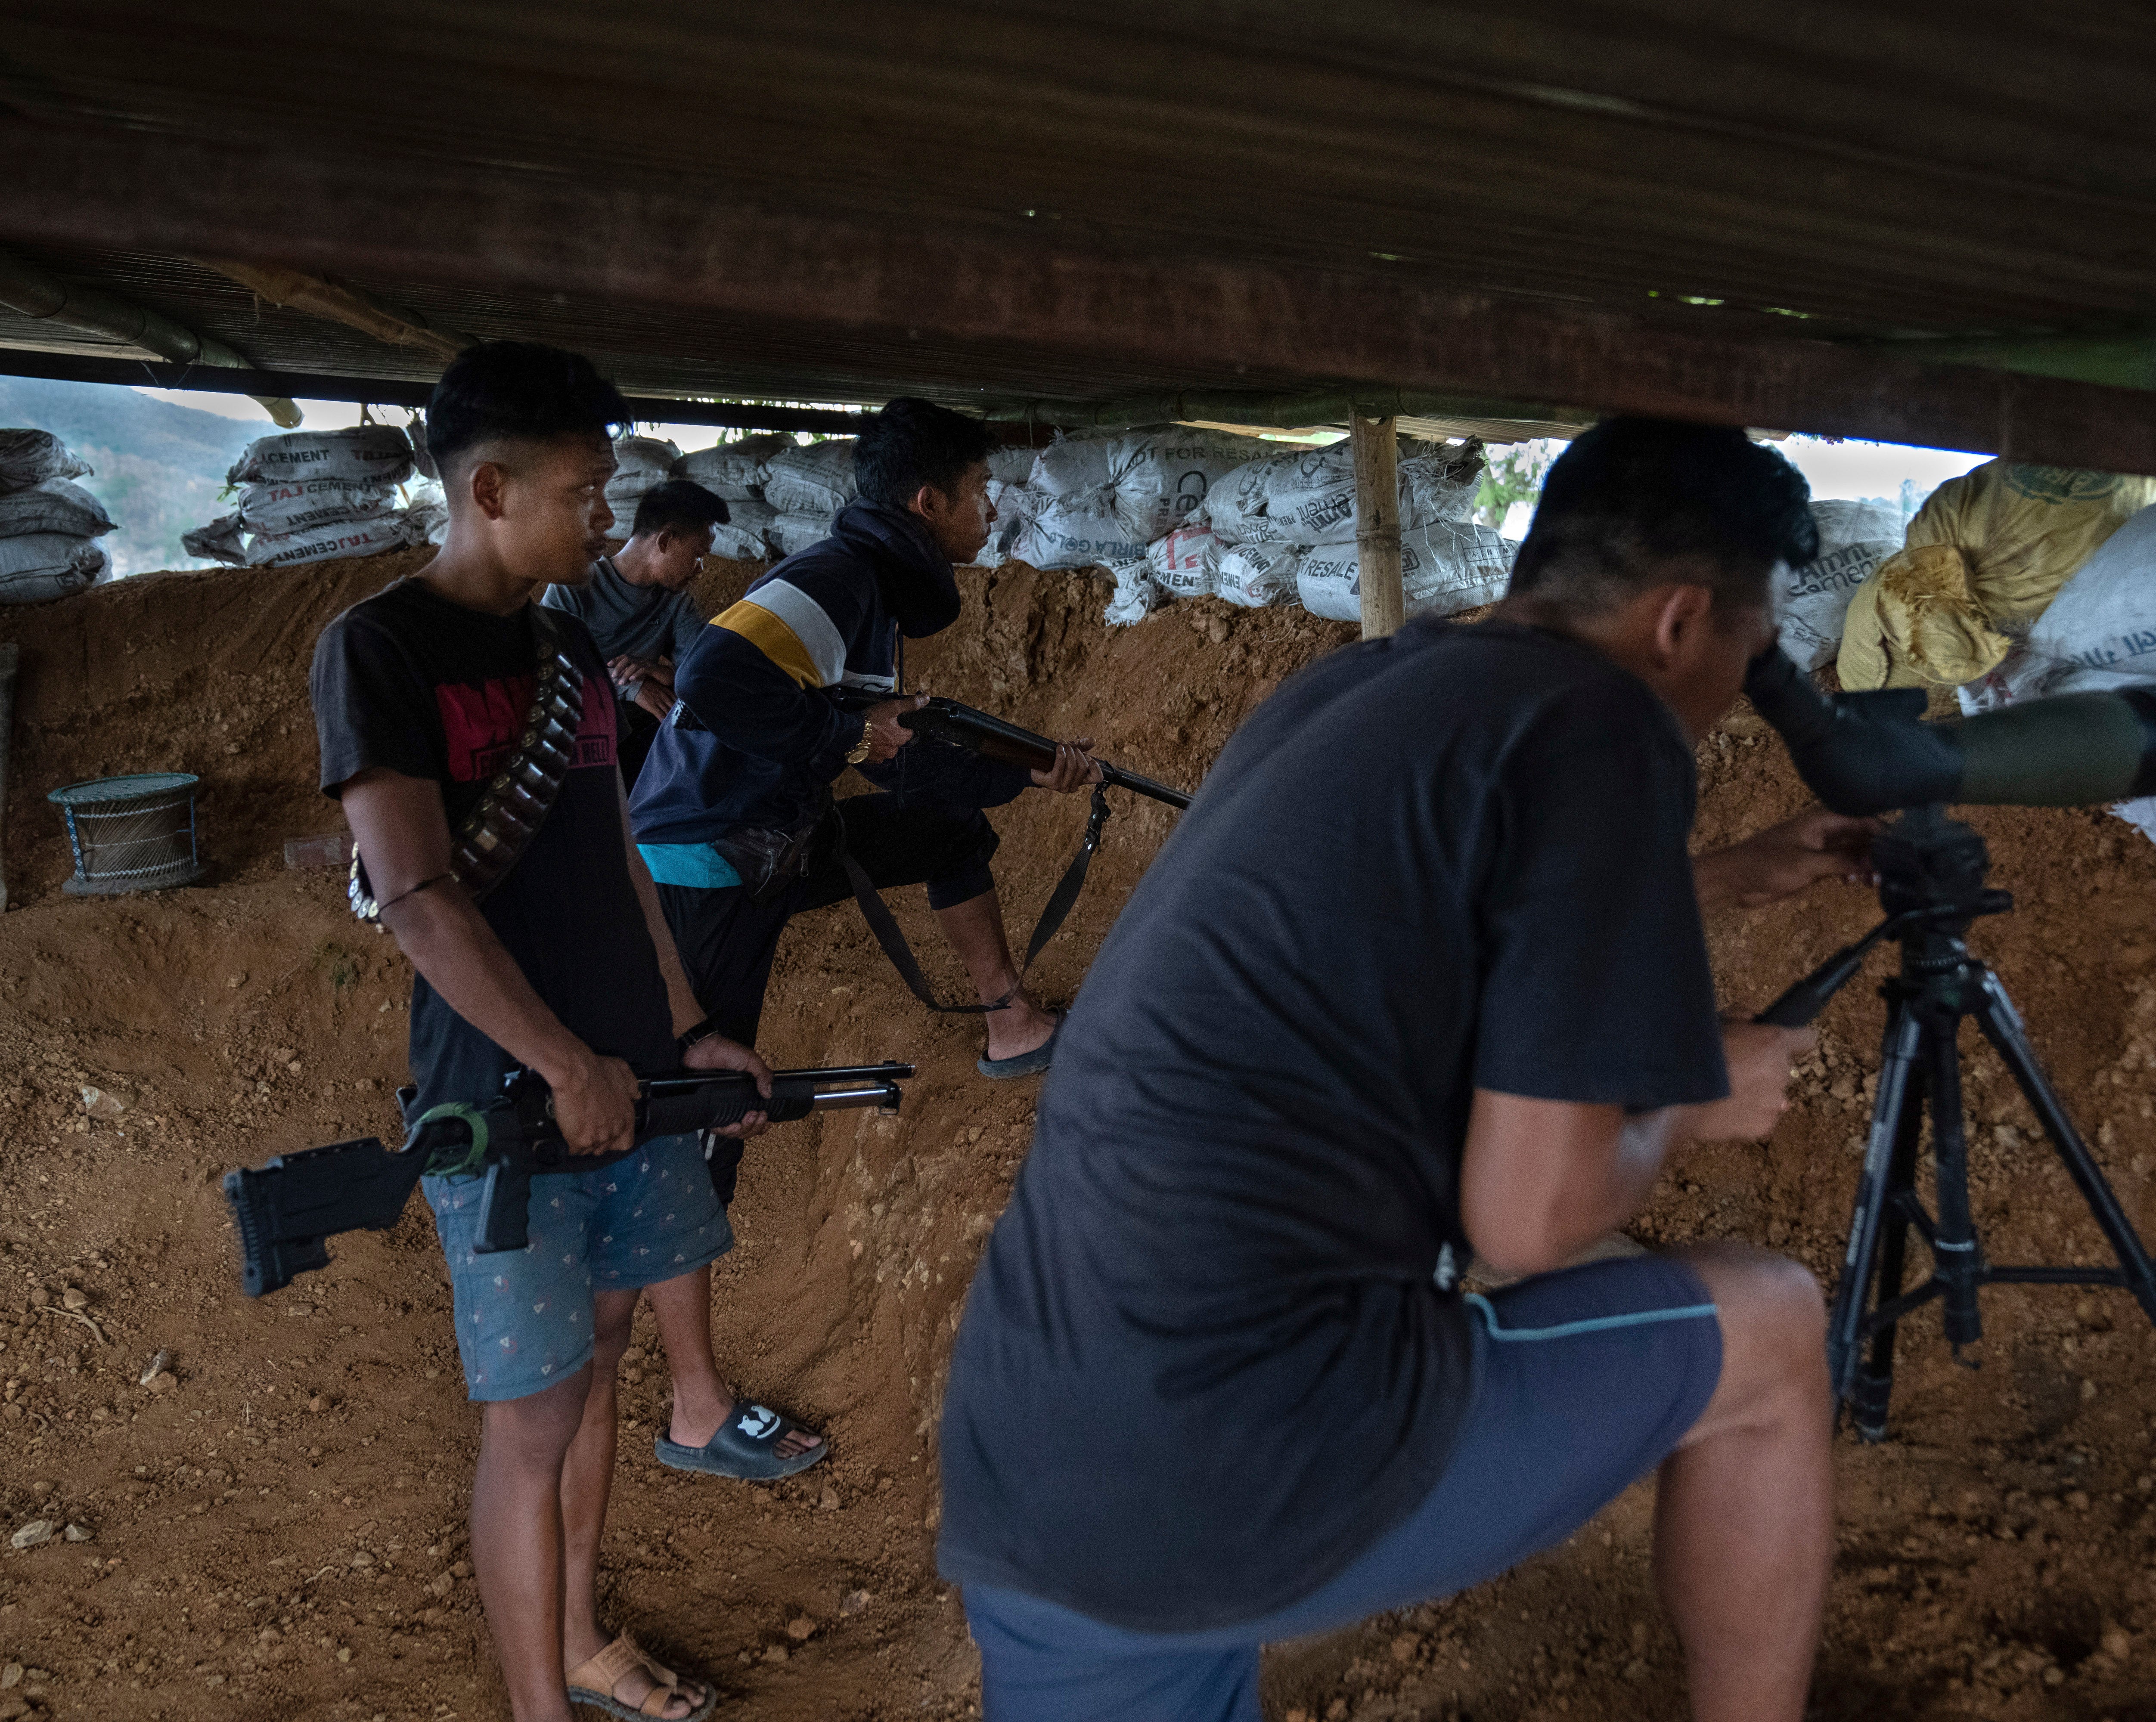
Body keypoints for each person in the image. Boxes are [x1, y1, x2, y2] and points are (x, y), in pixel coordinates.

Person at [935, 418, 1881, 1722]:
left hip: (1032, 1452)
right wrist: (1686, 1101)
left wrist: (1720, 879)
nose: (1734, 692)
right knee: (1768, 1328)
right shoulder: (1604, 725)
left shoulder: (1365, 685)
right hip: (1253, 1461)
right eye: (1747, 648)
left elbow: (1431, 919)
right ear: (1678, 623)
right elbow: (1530, 1219)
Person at [310, 342, 812, 1722]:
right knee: (529, 1421)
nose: (605, 518)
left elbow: (619, 860)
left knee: (596, 1363)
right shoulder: (379, 648)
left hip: (625, 1082)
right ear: (488, 488)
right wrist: (564, 1062)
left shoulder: (567, 642)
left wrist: (687, 1029)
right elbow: (414, 896)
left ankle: (582, 1641)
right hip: (513, 1104)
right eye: (586, 492)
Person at [628, 397, 1100, 1131]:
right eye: (981, 491)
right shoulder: (837, 576)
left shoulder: (868, 585)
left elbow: (889, 760)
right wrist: (846, 734)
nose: (991, 509)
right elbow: (710, 677)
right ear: (929, 501)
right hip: (709, 853)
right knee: (709, 1093)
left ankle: (1013, 1028)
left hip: (774, 838)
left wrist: (1021, 772)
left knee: (949, 829)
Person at [538, 477, 729, 783]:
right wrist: (630, 687)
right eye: (698, 555)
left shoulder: (676, 601)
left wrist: (658, 672)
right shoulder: (574, 587)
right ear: (665, 541)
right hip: (580, 731)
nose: (700, 569)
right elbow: (547, 673)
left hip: (641, 730)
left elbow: (705, 674)